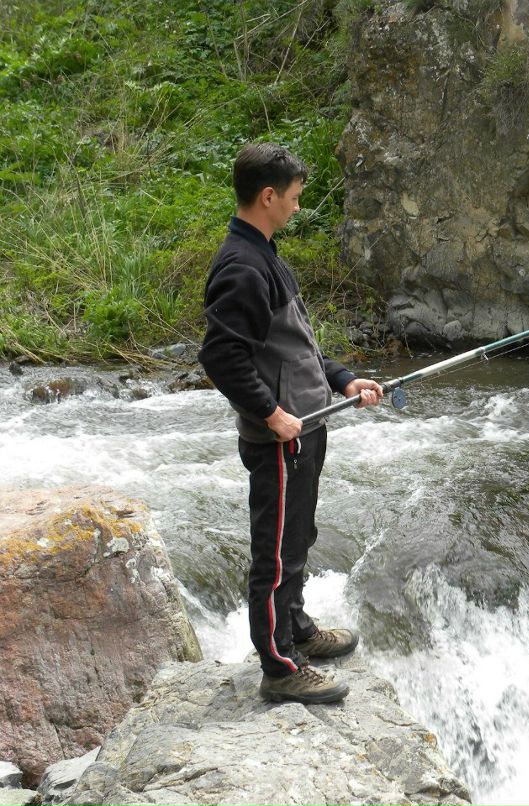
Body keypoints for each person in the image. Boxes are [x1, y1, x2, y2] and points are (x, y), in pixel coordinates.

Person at [198, 143, 383, 705]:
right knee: (275, 551)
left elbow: (295, 348)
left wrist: (344, 380)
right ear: (268, 196)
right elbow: (220, 357)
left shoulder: (267, 253)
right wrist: (272, 414)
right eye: (296, 199)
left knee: (297, 538)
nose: (299, 208)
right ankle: (279, 668)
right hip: (281, 437)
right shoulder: (241, 266)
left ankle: (296, 629)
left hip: (305, 427)